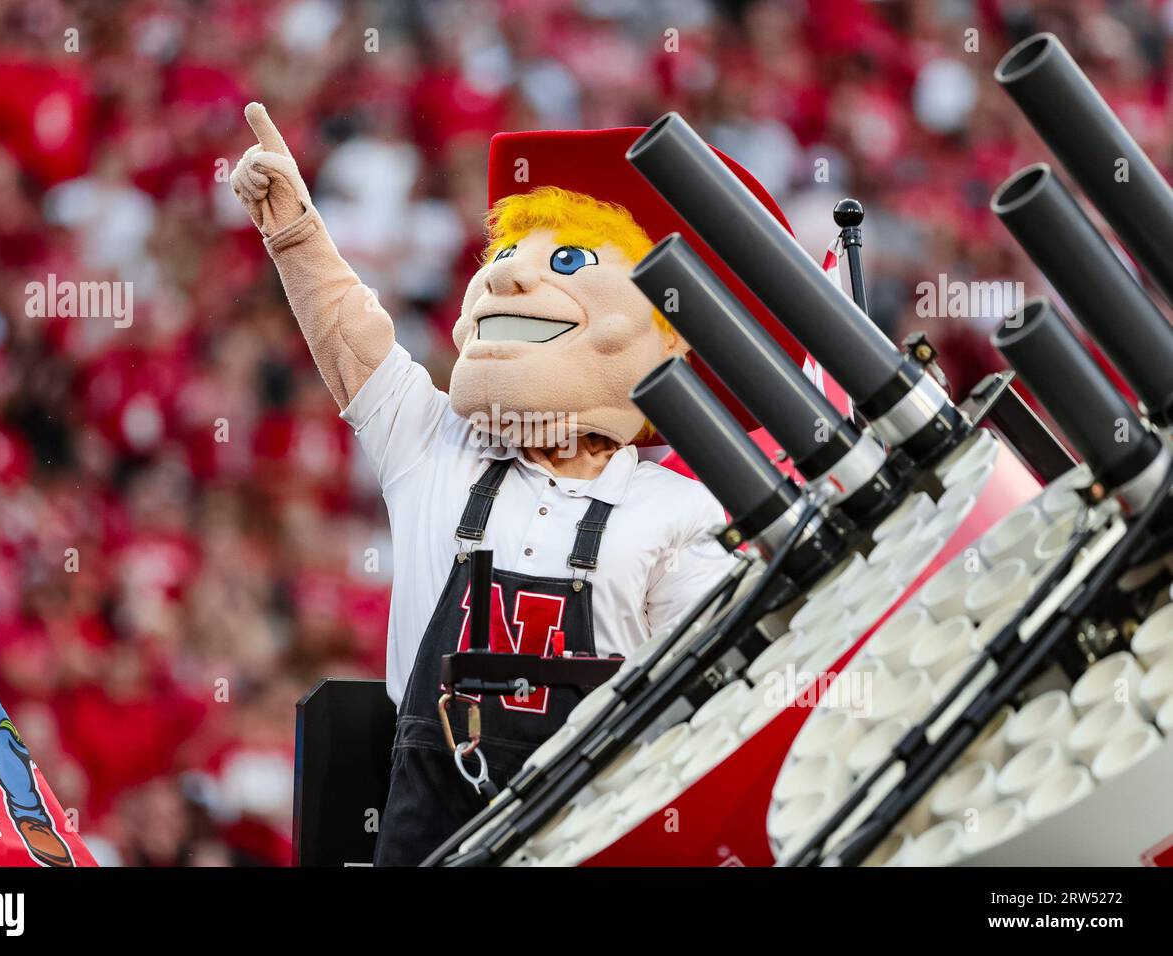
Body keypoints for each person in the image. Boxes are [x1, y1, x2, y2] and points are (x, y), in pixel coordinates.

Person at [229, 105, 796, 865]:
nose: (506, 273)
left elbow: (720, 675)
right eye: (505, 252)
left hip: (597, 827)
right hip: (428, 828)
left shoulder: (676, 506)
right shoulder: (434, 444)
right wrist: (296, 231)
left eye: (565, 261)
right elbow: (352, 337)